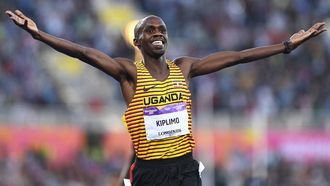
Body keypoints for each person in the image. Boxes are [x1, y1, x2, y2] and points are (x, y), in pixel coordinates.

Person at [5, 9, 326, 186]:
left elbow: (238, 57)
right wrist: (38, 34)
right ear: (137, 40)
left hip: (184, 168)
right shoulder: (128, 73)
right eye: (150, 30)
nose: (158, 33)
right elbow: (83, 52)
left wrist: (286, 45)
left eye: (162, 30)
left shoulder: (184, 67)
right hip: (148, 173)